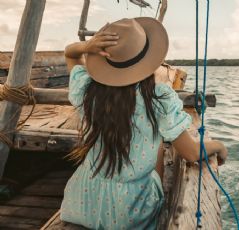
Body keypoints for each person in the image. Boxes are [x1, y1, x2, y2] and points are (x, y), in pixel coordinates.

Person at [60, 17, 227, 229]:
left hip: (81, 201)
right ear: (148, 61)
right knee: (157, 142)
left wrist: (87, 46)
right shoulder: (157, 98)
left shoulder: (87, 90)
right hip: (128, 211)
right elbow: (192, 154)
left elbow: (69, 53)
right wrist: (218, 146)